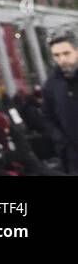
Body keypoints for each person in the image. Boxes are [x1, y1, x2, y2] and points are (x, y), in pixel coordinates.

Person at [41, 30, 78, 173]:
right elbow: (48, 118)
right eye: (56, 55)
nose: (62, 59)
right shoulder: (51, 86)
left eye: (66, 53)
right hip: (73, 156)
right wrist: (62, 142)